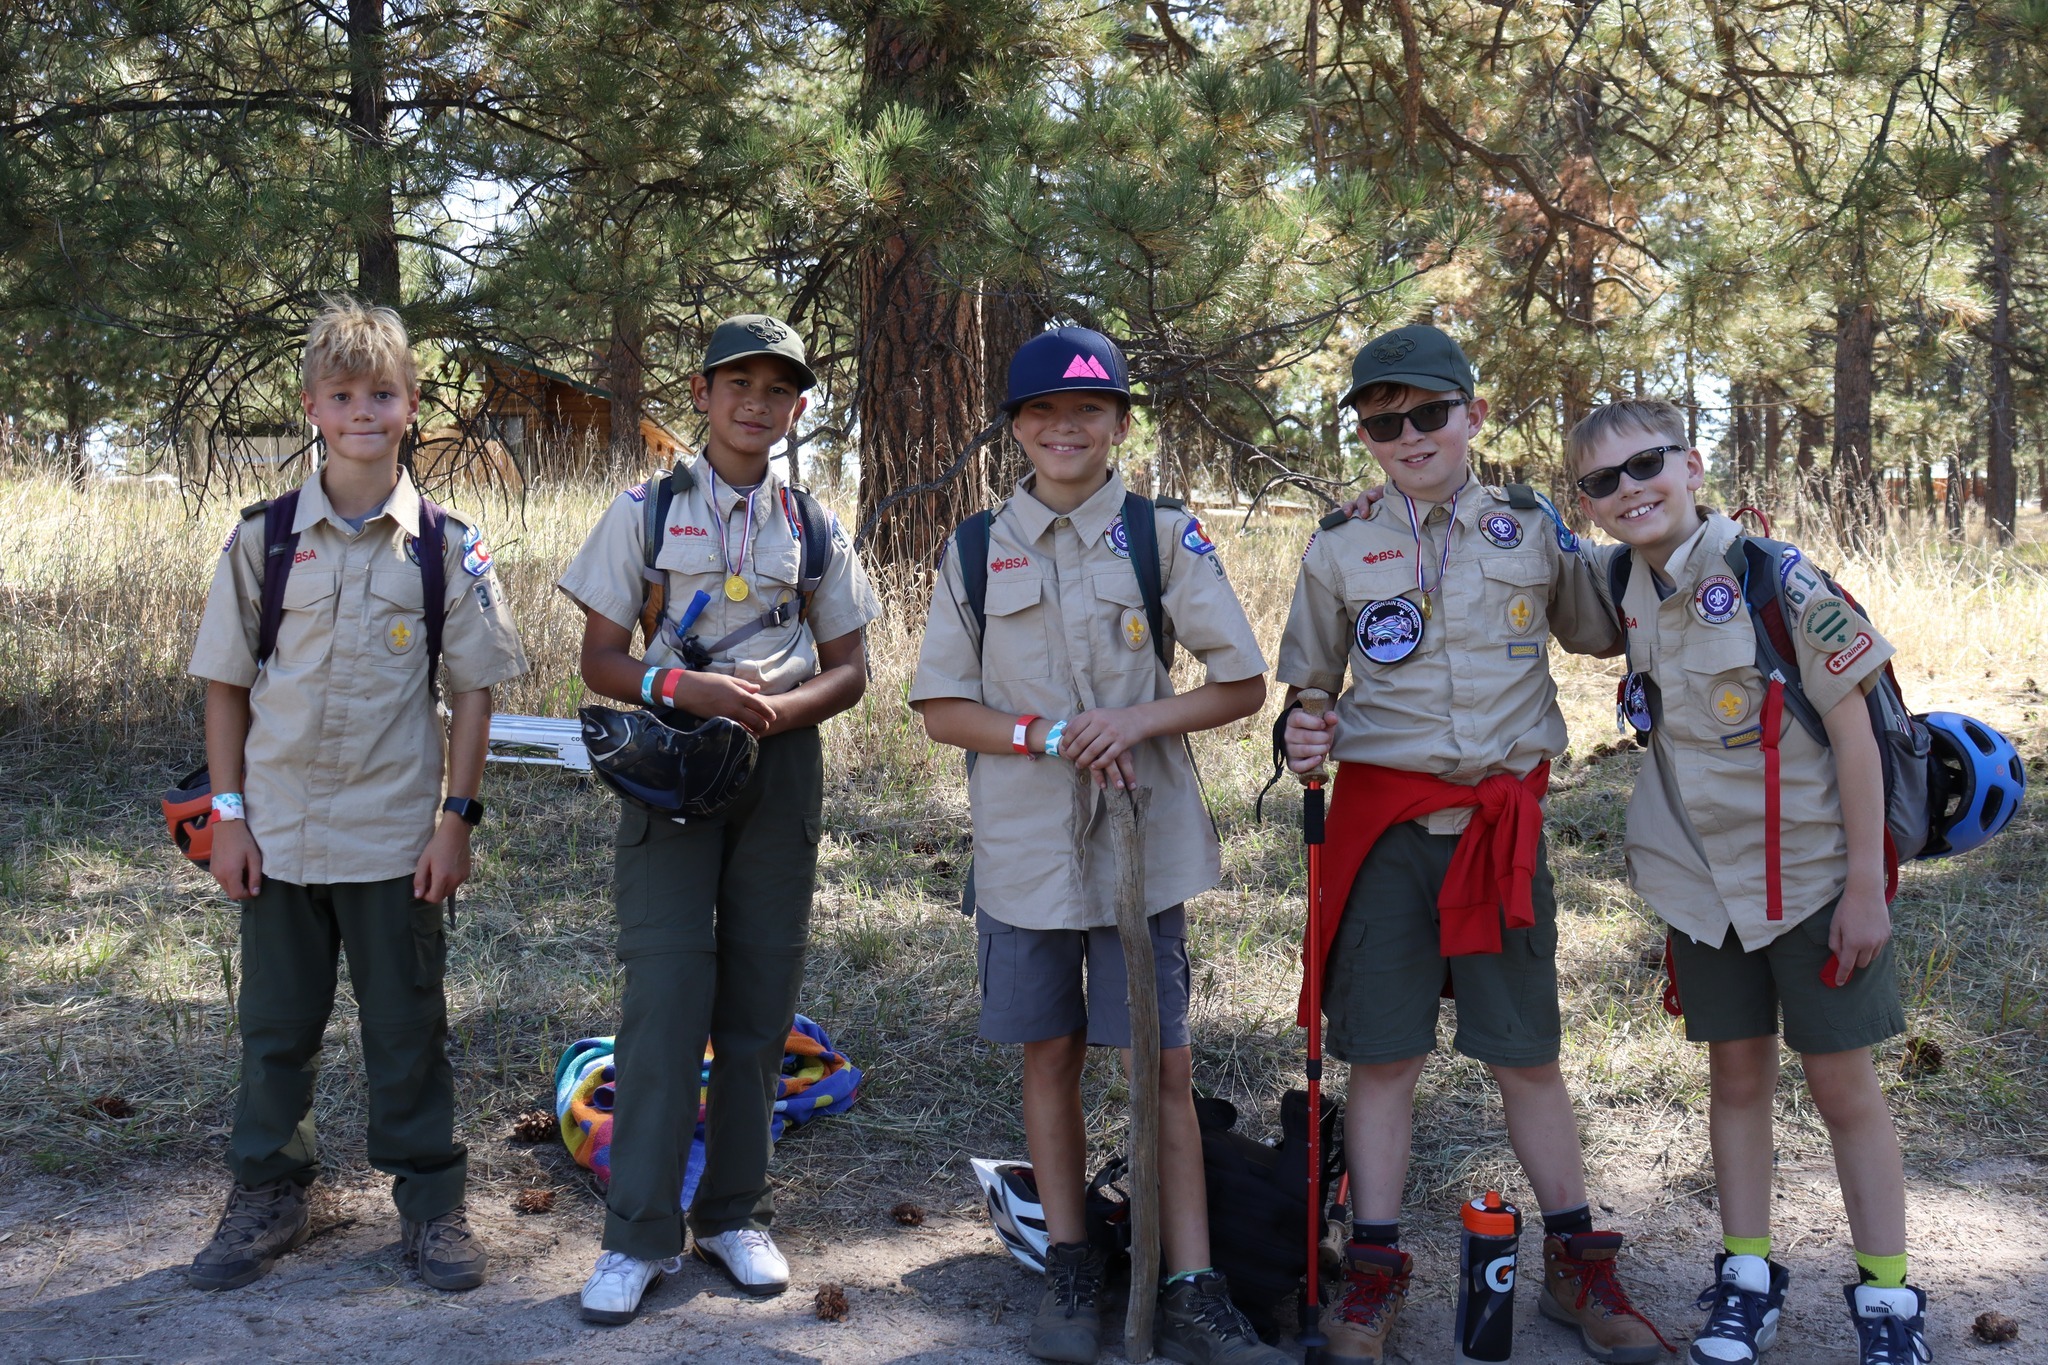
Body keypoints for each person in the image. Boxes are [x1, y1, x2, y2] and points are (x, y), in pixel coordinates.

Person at [1278, 325, 1669, 1364]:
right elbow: (1309, 687)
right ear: (1365, 438)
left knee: (1524, 1052)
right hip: (1385, 835)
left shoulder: (1531, 527)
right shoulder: (1339, 544)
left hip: (1499, 833)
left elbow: (1603, 629)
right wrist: (1302, 727)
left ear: (1472, 415)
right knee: (1384, 1057)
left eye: (1427, 414)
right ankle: (1372, 1269)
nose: (1407, 436)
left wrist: (1662, 535)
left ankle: (1577, 1265)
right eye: (1382, 423)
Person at [912, 327, 1284, 1365]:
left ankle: (1192, 1283)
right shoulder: (977, 547)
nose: (1064, 428)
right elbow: (942, 708)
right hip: (1026, 848)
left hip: (1141, 847)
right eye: (1041, 411)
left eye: (1087, 410)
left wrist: (1134, 721)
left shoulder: (1161, 537)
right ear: (1014, 428)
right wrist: (1045, 735)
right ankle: (1072, 1265)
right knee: (1051, 1053)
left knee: (1162, 1062)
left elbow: (1240, 683)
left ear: (1120, 423)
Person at [1570, 399, 1927, 1365]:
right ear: (1588, 504)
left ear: (1691, 464)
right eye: (1601, 481)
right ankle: (1747, 1276)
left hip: (1813, 878)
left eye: (1647, 464)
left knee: (1843, 1087)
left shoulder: (1777, 577)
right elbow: (1517, 556)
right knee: (1735, 1077)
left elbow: (1854, 733)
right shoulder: (1620, 582)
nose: (1629, 489)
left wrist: (1866, 885)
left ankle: (1888, 1296)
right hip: (1702, 887)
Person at [185, 295, 528, 1292]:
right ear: (311, 408)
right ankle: (270, 1192)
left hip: (393, 837)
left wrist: (455, 820)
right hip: (278, 833)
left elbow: (474, 692)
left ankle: (430, 1204)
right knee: (275, 1031)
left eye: (381, 394)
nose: (362, 413)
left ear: (411, 405)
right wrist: (229, 819)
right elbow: (225, 686)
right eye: (342, 396)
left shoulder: (446, 546)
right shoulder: (263, 539)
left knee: (407, 1030)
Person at [558, 314, 882, 1325]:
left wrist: (784, 710)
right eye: (736, 383)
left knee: (756, 1004)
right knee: (663, 999)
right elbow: (600, 658)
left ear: (796, 409)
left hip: (779, 767)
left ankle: (735, 1213)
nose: (755, 403)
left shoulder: (814, 525)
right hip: (672, 764)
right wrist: (680, 689)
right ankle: (639, 1233)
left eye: (777, 389)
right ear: (700, 394)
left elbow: (851, 669)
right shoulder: (645, 510)